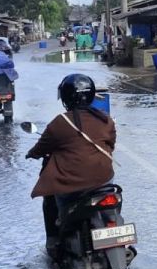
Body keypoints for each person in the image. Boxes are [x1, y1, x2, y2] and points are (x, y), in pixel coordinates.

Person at [26, 73, 117, 255]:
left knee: (51, 200)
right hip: (104, 180)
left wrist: (32, 154)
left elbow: (41, 148)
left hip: (72, 185)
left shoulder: (60, 122)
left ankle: (54, 240)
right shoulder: (105, 120)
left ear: (66, 97)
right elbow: (111, 144)